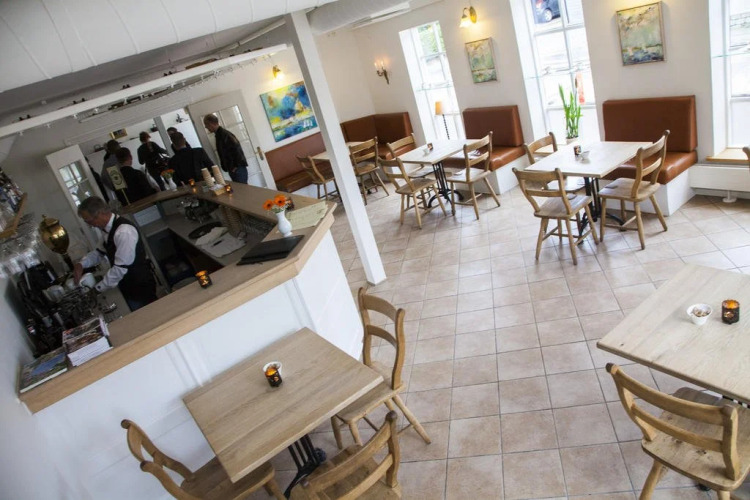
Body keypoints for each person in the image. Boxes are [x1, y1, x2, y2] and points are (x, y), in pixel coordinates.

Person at [74, 196, 157, 312]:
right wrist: (81, 264)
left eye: (89, 221)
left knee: (149, 315)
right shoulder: (109, 230)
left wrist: (97, 289)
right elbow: (98, 252)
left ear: (99, 214)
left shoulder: (123, 231)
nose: (91, 225)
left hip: (139, 286)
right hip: (128, 285)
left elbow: (120, 268)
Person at [202, 114, 248, 183]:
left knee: (242, 188)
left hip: (237, 169)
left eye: (206, 125)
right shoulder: (220, 135)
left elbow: (237, 150)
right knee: (241, 188)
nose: (206, 127)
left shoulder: (224, 135)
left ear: (211, 124)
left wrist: (235, 167)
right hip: (235, 169)